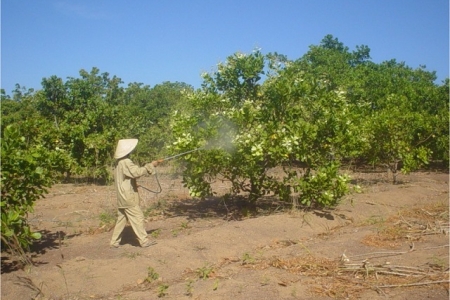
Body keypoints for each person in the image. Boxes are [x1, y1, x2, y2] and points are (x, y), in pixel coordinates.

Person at [110, 138, 159, 248]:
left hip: (122, 196)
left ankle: (114, 242)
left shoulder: (119, 162)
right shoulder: (126, 162)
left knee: (121, 220)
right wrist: (150, 165)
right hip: (128, 196)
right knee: (138, 217)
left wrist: (132, 183)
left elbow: (124, 178)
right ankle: (144, 241)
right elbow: (136, 172)